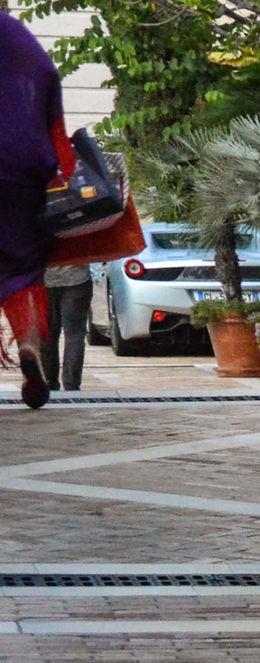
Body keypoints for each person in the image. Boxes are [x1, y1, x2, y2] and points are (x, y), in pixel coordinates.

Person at [0, 0, 73, 409]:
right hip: (21, 172)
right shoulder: (14, 32)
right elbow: (47, 74)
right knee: (25, 268)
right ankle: (29, 350)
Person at [38, 254, 87, 391]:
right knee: (75, 335)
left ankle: (49, 383)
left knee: (47, 335)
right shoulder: (78, 230)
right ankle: (72, 385)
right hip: (77, 278)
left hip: (44, 279)